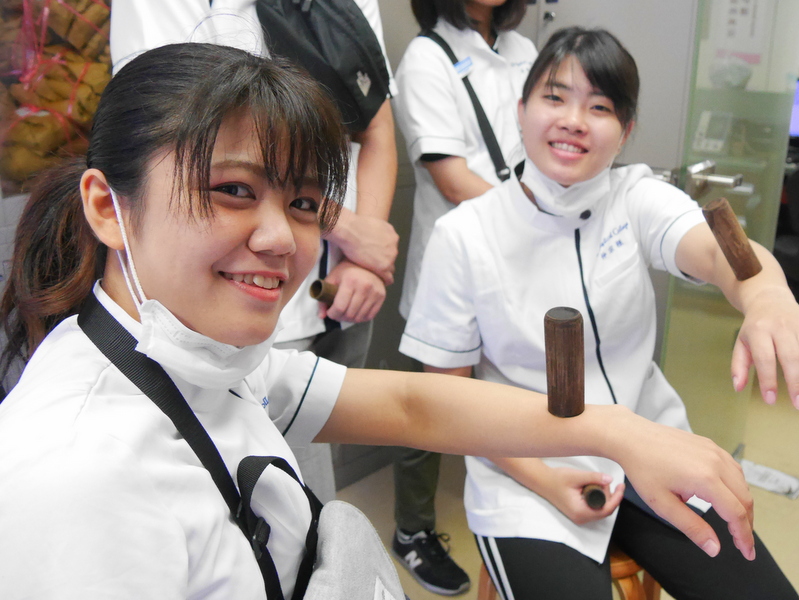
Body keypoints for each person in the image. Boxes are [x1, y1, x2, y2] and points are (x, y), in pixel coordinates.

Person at [0, 42, 760, 599]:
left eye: (305, 204)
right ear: (107, 206)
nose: (280, 238)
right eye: (233, 190)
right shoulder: (74, 475)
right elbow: (431, 381)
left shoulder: (213, 360)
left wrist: (628, 426)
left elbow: (408, 403)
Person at [399, 27, 799, 600]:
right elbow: (449, 400)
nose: (573, 120)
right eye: (555, 97)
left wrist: (767, 295)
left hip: (653, 447)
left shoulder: (636, 196)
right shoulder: (464, 234)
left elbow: (719, 251)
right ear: (521, 110)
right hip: (529, 471)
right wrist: (545, 480)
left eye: (600, 107)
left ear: (626, 130)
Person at [109, 0, 399, 503]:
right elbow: (169, 149)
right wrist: (350, 230)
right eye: (238, 191)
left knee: (304, 505)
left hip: (341, 291)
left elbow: (375, 125)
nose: (278, 235)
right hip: (251, 309)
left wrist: (364, 258)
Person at [390, 0, 535, 593]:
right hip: (455, 262)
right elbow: (451, 178)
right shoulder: (427, 56)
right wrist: (536, 221)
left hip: (523, 257)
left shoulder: (524, 51)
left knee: (519, 394)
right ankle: (412, 531)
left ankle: (528, 510)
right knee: (431, 409)